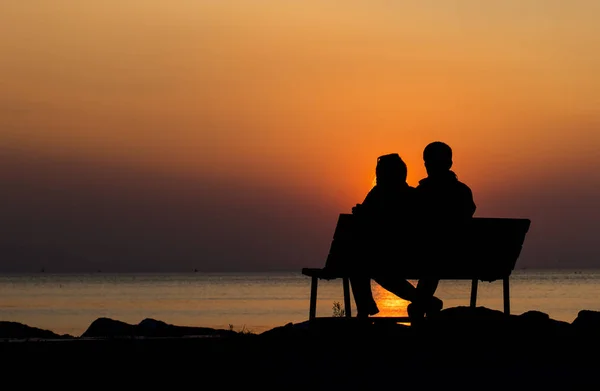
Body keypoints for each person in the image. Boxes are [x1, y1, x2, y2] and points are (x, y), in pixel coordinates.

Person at [408, 141, 477, 321]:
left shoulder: (420, 194)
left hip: (425, 258)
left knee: (433, 256)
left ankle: (422, 304)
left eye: (427, 163)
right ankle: (423, 304)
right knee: (436, 256)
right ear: (450, 164)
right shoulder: (463, 192)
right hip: (462, 259)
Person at [349, 153, 421, 317]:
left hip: (387, 258)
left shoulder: (377, 194)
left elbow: (366, 227)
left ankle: (365, 309)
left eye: (379, 172)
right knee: (372, 266)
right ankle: (421, 300)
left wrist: (361, 214)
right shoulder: (414, 195)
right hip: (415, 259)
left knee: (359, 263)